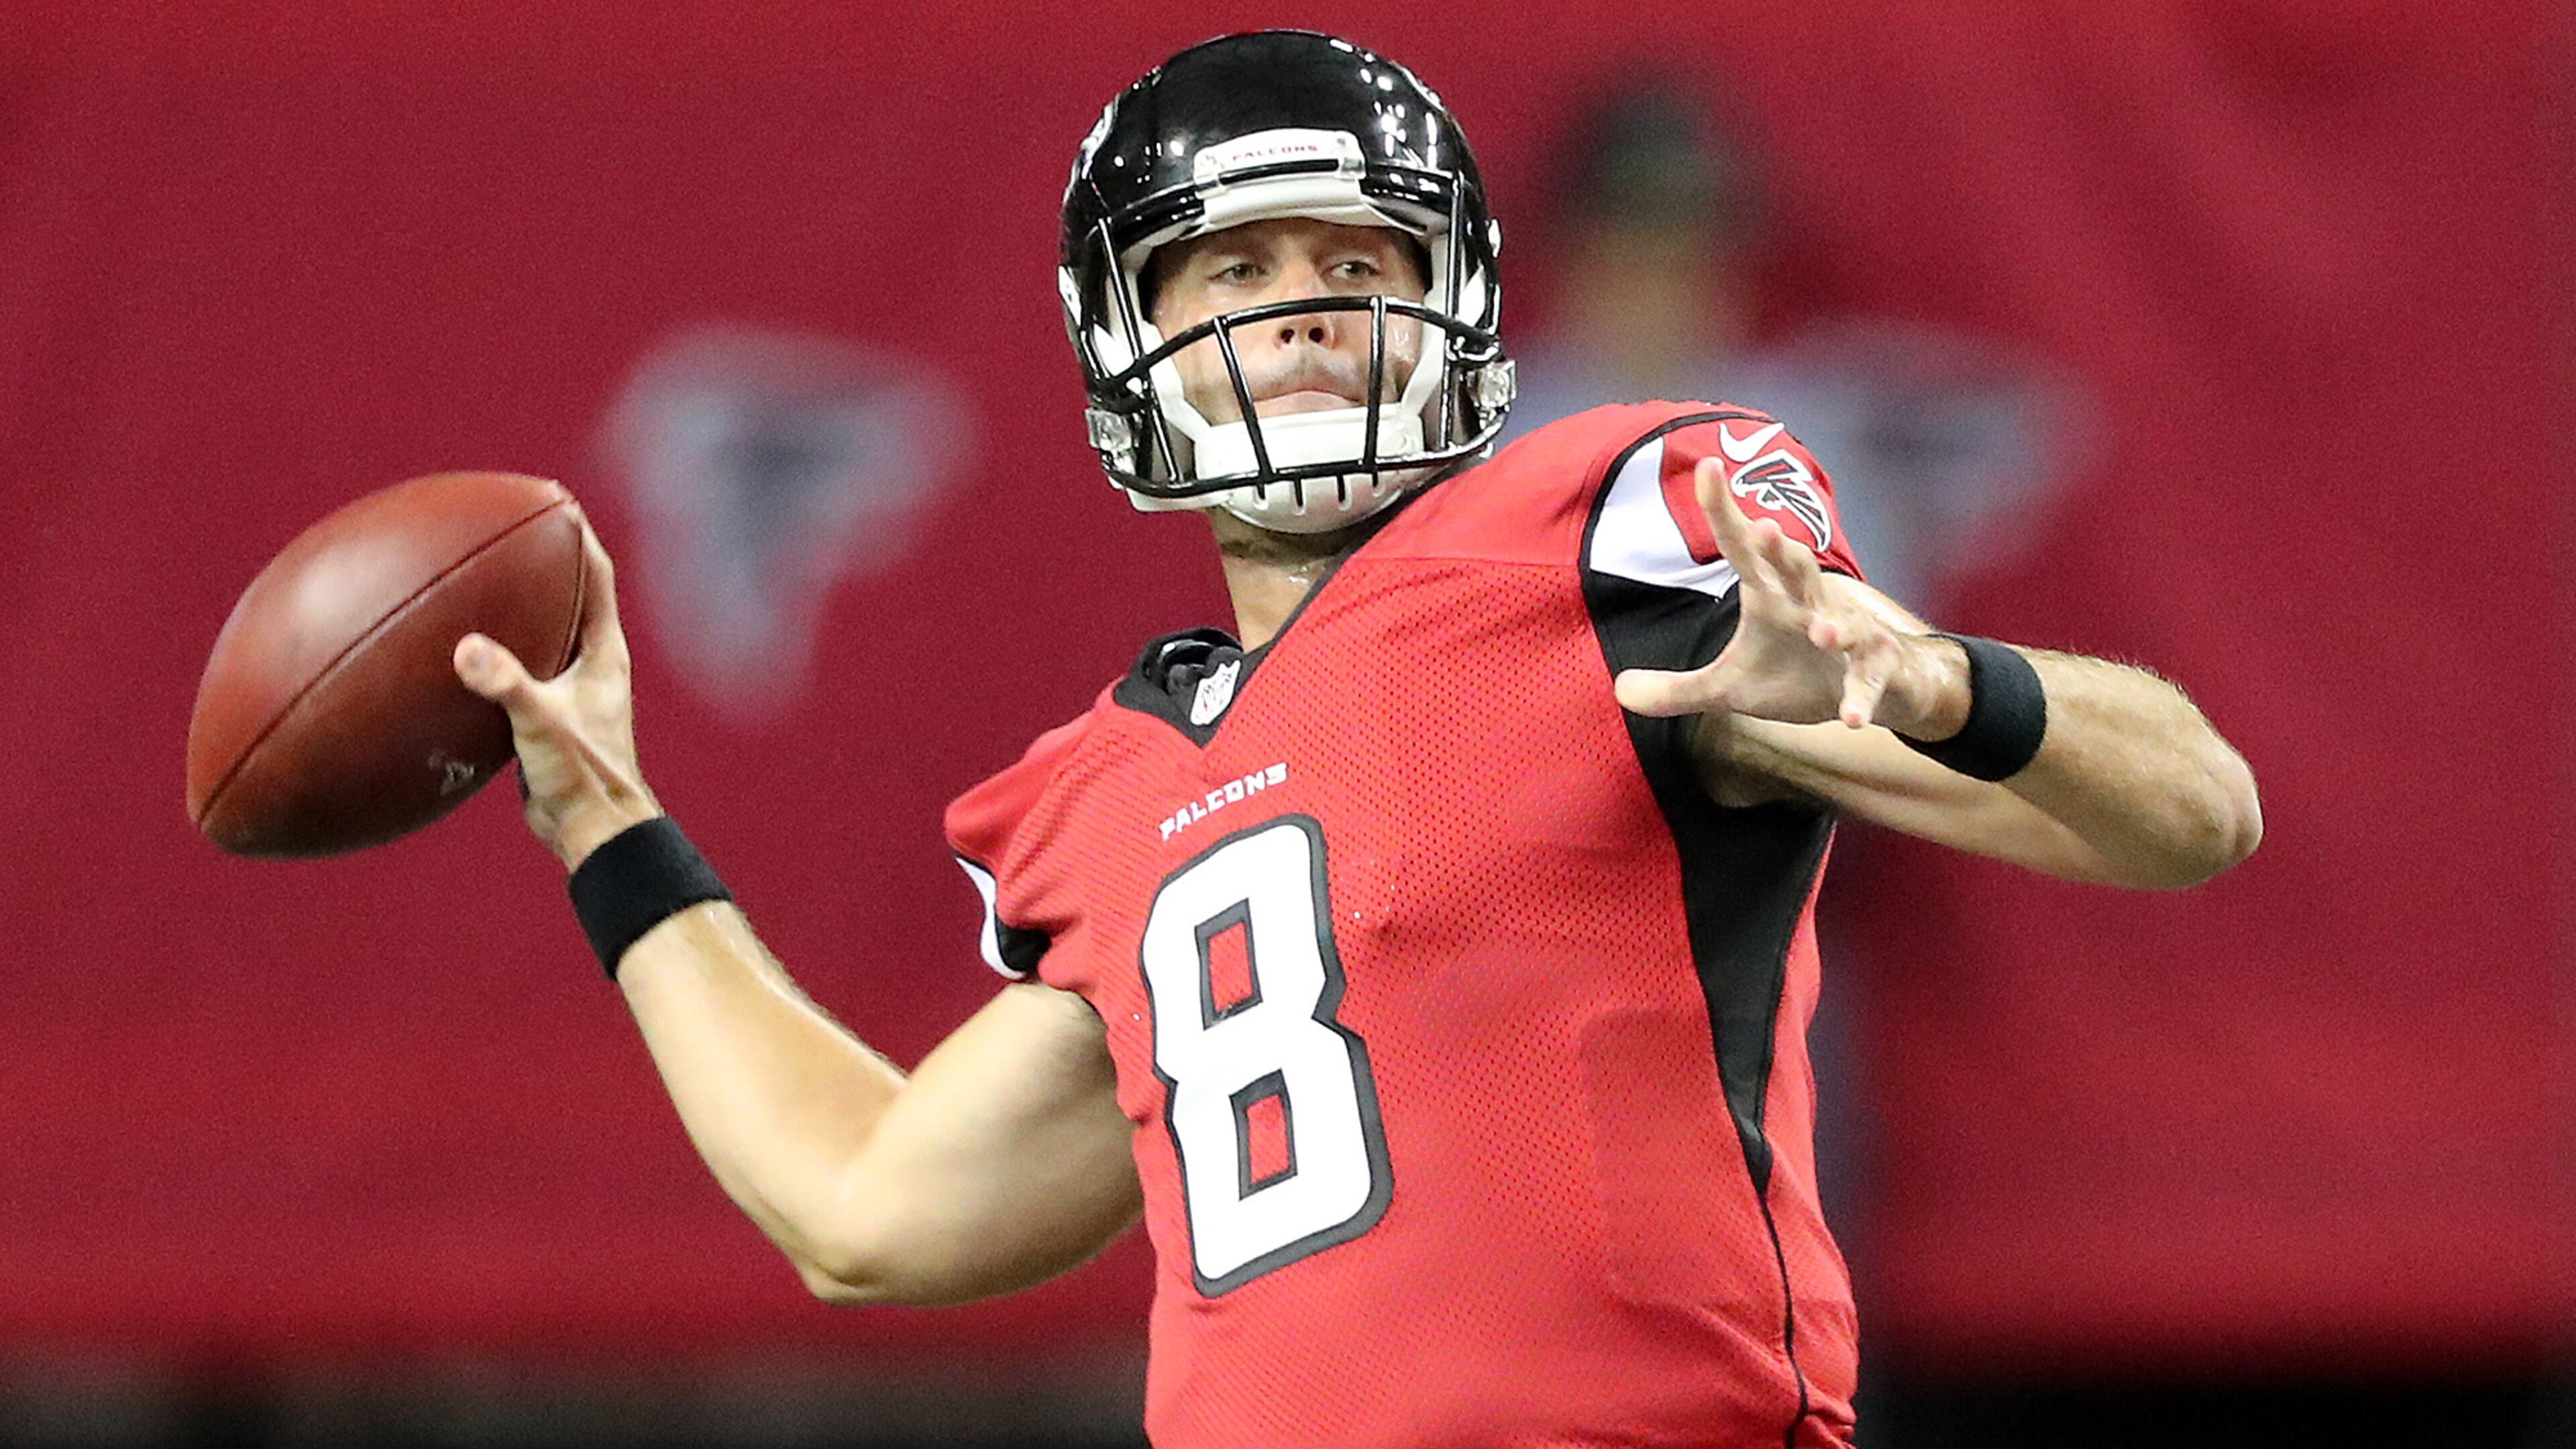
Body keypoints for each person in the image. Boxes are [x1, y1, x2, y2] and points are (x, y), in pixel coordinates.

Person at [450, 32, 2261, 1449]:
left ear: (1460, 303)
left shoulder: (1604, 546)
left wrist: (1937, 690)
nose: (1304, 299)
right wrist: (609, 825)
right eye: (1232, 266)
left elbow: (2194, 809)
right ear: (1123, 332)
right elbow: (867, 1209)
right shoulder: (1113, 788)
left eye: (1356, 253)